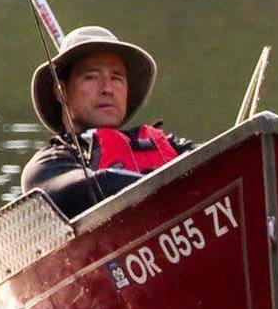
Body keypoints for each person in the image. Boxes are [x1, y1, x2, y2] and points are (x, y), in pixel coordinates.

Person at [20, 25, 193, 217]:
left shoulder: (173, 147)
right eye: (91, 77)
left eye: (116, 78)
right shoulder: (48, 166)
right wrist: (172, 187)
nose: (107, 89)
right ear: (61, 91)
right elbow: (84, 189)